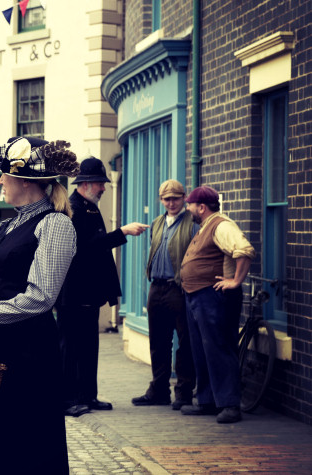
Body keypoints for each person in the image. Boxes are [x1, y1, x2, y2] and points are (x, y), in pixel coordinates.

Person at [0, 137, 80, 475]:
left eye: (4, 175)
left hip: (25, 350)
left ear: (24, 180)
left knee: (21, 438)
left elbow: (41, 296)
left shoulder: (55, 223)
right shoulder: (7, 224)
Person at [57, 157, 148, 417]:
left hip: (88, 294)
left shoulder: (90, 207)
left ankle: (88, 396)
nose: (104, 188)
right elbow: (85, 247)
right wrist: (122, 232)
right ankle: (68, 399)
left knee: (88, 348)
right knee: (71, 348)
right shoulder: (73, 208)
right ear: (86, 184)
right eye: (100, 184)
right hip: (74, 295)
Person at [179, 186, 255, 424]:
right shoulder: (205, 226)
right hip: (197, 296)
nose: (187, 208)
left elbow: (244, 249)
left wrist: (236, 281)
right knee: (202, 350)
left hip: (212, 297)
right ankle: (208, 401)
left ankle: (230, 405)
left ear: (201, 207)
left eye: (190, 204)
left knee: (219, 348)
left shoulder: (221, 225)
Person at [132, 180, 198, 410]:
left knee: (185, 342)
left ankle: (184, 392)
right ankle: (159, 390)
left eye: (175, 198)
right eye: (167, 199)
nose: (171, 203)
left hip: (179, 289)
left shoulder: (193, 222)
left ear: (183, 198)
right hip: (156, 288)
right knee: (158, 342)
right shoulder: (157, 222)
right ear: (161, 200)